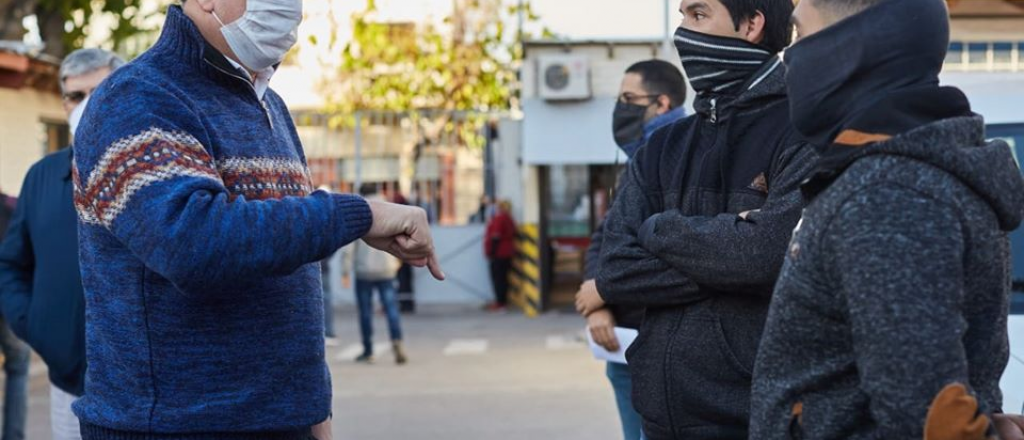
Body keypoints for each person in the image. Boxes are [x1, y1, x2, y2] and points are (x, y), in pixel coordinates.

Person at [70, 1, 443, 438]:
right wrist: (359, 214)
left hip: (281, 421)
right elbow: (193, 244)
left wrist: (314, 412)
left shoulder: (270, 104)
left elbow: (287, 268)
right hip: (175, 426)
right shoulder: (139, 96)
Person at [748, 0, 1024, 438]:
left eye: (800, 36)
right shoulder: (900, 175)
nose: (788, 61)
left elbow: (929, 417)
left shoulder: (889, 194)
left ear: (852, 46)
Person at [575, 0, 816, 438]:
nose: (681, 31)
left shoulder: (802, 134)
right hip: (661, 418)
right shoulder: (663, 147)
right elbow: (614, 268)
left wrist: (658, 229)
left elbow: (764, 257)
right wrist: (732, 255)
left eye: (698, 15)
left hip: (757, 421)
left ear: (752, 26)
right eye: (682, 14)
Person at [0, 48, 123, 440]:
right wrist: (34, 324)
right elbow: (12, 262)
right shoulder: (41, 177)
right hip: (66, 384)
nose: (86, 105)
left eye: (99, 91)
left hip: (140, 389)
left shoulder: (151, 169)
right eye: (76, 95)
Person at [579, 58, 687, 440]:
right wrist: (600, 302)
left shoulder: (685, 156)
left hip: (664, 345)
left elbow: (676, 252)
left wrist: (605, 288)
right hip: (620, 339)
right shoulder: (637, 161)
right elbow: (606, 236)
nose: (619, 109)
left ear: (662, 104)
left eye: (629, 98)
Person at [351, 185, 407, 365]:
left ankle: (368, 351)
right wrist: (397, 261)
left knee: (366, 311)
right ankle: (397, 341)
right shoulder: (389, 209)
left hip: (363, 270)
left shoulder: (358, 210)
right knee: (391, 308)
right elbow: (399, 237)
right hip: (386, 269)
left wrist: (345, 270)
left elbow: (349, 244)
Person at [0, 190, 29, 440]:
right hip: (10, 297)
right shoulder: (13, 205)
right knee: (18, 368)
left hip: (11, 296)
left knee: (18, 367)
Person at [485, 200, 517, 313]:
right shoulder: (510, 218)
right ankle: (502, 303)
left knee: (498, 279)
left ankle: (500, 303)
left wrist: (491, 252)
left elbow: (496, 236)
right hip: (508, 253)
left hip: (498, 253)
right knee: (503, 279)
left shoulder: (500, 218)